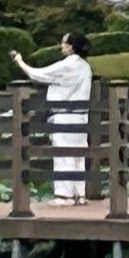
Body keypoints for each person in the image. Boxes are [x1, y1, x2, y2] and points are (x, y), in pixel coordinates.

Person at [13, 32, 96, 202]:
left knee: (63, 153)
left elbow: (38, 74)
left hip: (64, 116)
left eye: (64, 43)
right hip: (81, 116)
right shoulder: (85, 66)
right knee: (79, 154)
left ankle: (64, 195)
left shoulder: (67, 65)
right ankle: (79, 194)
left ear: (71, 46)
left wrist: (20, 61)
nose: (61, 46)